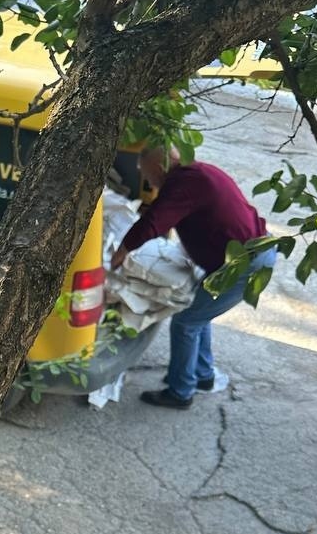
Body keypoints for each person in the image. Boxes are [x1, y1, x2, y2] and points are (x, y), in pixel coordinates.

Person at [110, 146, 275, 410]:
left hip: (245, 264)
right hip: (243, 258)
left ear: (160, 166)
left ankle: (180, 392)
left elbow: (154, 221)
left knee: (186, 322)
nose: (148, 181)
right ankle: (203, 376)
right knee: (198, 313)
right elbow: (161, 211)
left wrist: (122, 251)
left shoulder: (186, 183)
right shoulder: (196, 174)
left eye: (147, 173)